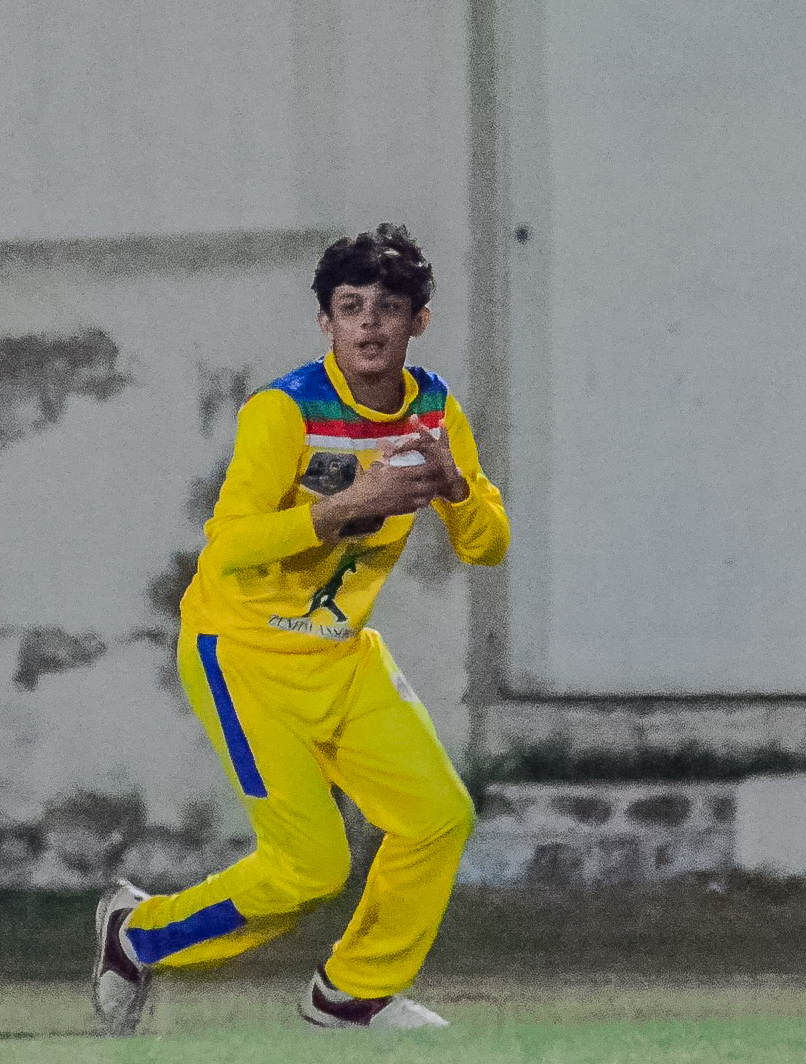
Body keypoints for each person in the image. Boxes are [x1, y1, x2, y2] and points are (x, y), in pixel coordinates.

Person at [92, 223, 510, 1034]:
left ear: (419, 320)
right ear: (325, 322)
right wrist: (346, 507)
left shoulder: (434, 410)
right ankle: (137, 935)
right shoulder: (283, 410)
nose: (369, 323)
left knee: (438, 817)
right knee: (311, 867)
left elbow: (487, 547)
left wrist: (458, 489)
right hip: (242, 652)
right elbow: (230, 545)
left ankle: (350, 994)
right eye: (350, 307)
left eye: (389, 307)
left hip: (341, 655)